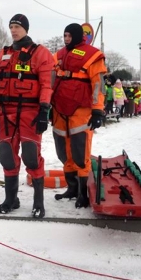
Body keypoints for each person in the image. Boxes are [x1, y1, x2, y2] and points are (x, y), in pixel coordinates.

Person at [0, 14, 53, 218]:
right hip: (5, 112)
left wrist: (44, 110)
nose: (13, 30)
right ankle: (11, 200)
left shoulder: (40, 53)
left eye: (17, 26)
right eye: (11, 27)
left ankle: (38, 202)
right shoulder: (3, 55)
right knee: (7, 155)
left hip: (30, 112)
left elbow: (46, 85)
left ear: (26, 28)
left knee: (31, 157)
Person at [51, 23, 106, 208]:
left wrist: (98, 110)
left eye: (68, 36)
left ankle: (84, 193)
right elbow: (48, 78)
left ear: (76, 36)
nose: (66, 39)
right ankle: (72, 188)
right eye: (64, 35)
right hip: (59, 109)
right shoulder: (58, 55)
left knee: (80, 152)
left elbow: (98, 84)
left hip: (80, 111)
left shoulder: (92, 55)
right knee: (64, 152)